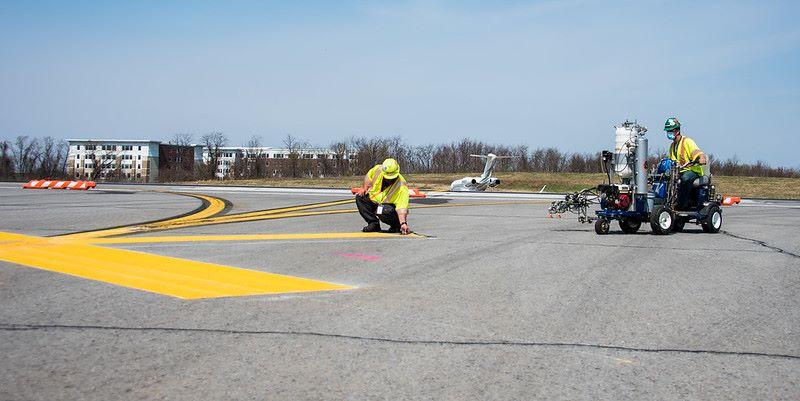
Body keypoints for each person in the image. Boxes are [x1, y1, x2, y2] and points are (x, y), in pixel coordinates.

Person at [354, 158, 411, 235]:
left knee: (382, 210)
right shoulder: (378, 169)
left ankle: (396, 225)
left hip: (389, 208)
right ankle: (373, 224)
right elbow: (369, 176)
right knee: (360, 197)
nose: (389, 180)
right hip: (376, 201)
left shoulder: (401, 186)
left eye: (392, 178)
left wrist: (403, 223)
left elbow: (402, 208)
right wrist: (364, 188)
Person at [664, 117, 707, 210]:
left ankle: (682, 204)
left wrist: (701, 158)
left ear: (677, 130)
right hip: (680, 170)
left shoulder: (687, 141)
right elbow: (673, 161)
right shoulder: (672, 146)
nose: (669, 133)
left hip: (693, 170)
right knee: (665, 178)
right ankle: (667, 201)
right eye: (668, 131)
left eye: (671, 130)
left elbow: (698, 153)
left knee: (685, 178)